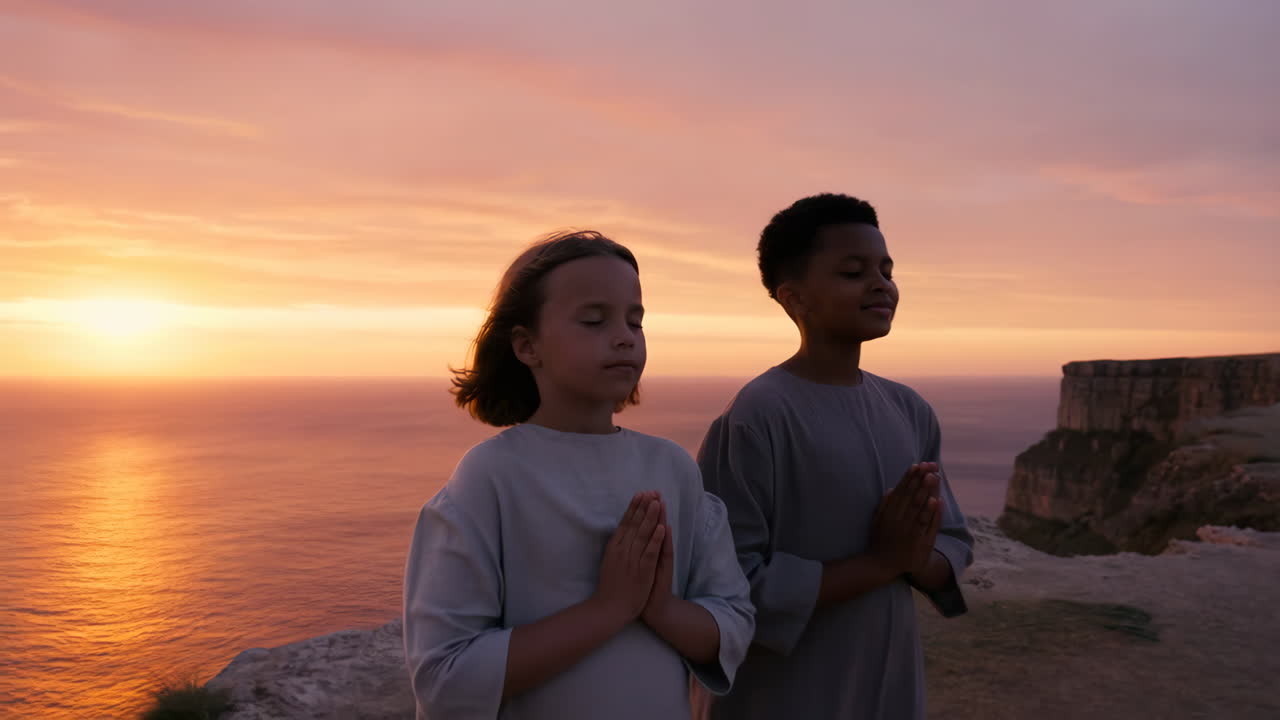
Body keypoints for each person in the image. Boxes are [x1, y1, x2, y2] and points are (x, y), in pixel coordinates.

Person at [403, 230, 754, 719]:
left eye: (636, 321)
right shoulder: (493, 476)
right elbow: (445, 676)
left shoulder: (671, 468)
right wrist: (609, 609)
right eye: (594, 320)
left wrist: (660, 608)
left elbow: (733, 621)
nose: (624, 336)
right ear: (527, 346)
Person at [694, 194, 975, 719]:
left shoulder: (908, 409)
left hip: (888, 673)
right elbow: (727, 581)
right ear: (795, 298)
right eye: (853, 272)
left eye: (886, 270)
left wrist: (917, 560)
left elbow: (951, 542)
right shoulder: (757, 416)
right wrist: (881, 562)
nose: (881, 284)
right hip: (786, 689)